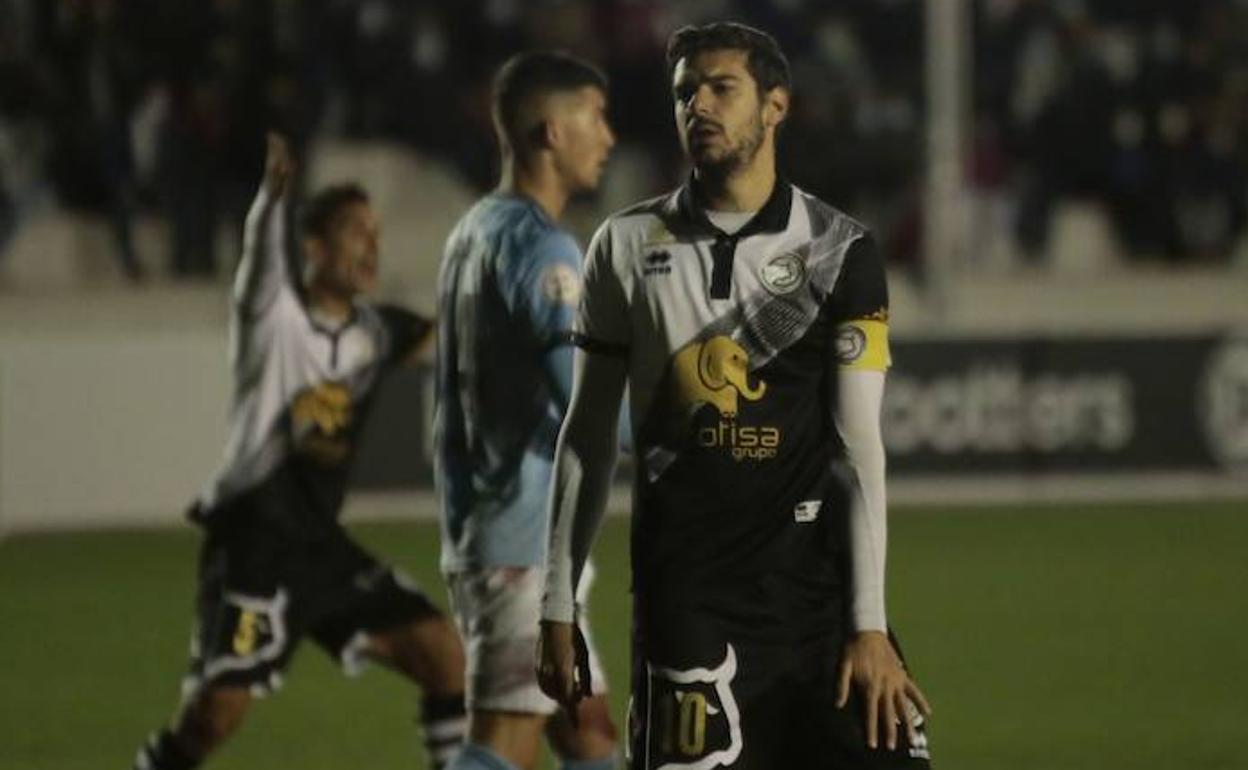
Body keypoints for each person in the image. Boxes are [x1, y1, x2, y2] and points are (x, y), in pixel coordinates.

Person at [537, 22, 933, 769]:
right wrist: (558, 603)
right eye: (686, 92)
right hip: (688, 607)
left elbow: (856, 450)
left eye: (722, 88)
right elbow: (589, 437)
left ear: (775, 106)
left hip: (818, 608)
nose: (700, 107)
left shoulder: (841, 250)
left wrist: (870, 625)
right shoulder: (624, 247)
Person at [134, 133, 467, 770]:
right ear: (313, 247)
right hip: (254, 545)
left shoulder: (375, 332)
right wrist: (273, 195)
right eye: (354, 232)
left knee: (443, 656)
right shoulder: (275, 319)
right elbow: (262, 258)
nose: (371, 247)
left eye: (375, 233)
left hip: (320, 547)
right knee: (213, 718)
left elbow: (457, 338)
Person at [434, 51, 620, 770]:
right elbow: (584, 403)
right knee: (504, 742)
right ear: (550, 131)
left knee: (589, 730)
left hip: (496, 525)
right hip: (519, 540)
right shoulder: (545, 248)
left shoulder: (476, 229)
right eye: (595, 118)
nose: (608, 136)